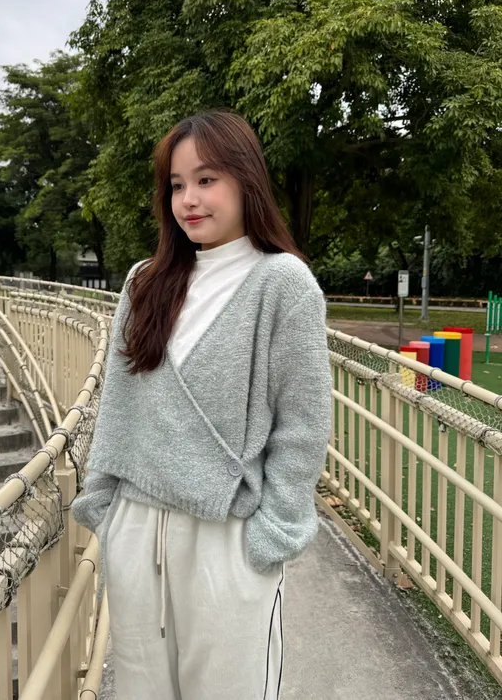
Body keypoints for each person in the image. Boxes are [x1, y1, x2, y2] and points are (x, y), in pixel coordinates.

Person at [72, 108, 332, 699]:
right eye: (176, 185)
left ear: (246, 181)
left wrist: (274, 532)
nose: (188, 200)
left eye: (207, 180)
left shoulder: (282, 284)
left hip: (227, 539)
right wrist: (104, 506)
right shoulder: (144, 283)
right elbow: (119, 402)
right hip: (137, 528)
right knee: (141, 688)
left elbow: (303, 422)